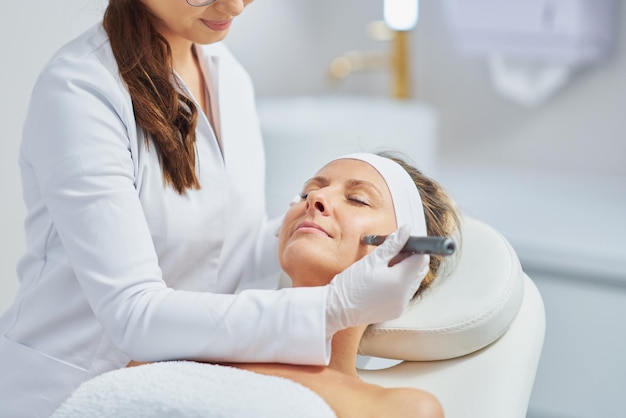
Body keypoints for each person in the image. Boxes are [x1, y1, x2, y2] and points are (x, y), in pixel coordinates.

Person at [0, 2, 433, 417]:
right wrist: (332, 306)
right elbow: (134, 313)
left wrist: (307, 229)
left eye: (356, 199)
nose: (234, 7)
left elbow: (228, 242)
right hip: (65, 391)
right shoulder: (82, 89)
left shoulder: (231, 79)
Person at [222, 152, 461, 417]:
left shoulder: (400, 410)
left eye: (358, 200)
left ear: (402, 256)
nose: (315, 199)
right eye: (306, 193)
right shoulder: (195, 340)